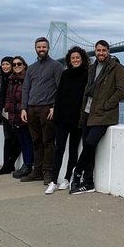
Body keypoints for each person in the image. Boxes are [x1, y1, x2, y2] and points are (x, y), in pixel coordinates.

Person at [70, 40, 124, 194]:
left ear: (108, 51)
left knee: (90, 143)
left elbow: (122, 91)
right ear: (95, 51)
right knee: (89, 148)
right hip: (87, 113)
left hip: (104, 114)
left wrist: (106, 105)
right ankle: (88, 182)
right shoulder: (91, 68)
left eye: (103, 50)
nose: (101, 53)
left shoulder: (118, 68)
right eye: (98, 50)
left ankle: (77, 171)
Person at [45, 46, 89, 194]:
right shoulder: (65, 74)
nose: (75, 60)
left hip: (78, 120)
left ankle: (66, 178)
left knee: (73, 150)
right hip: (63, 119)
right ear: (69, 60)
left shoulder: (87, 74)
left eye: (78, 58)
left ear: (82, 59)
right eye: (73, 58)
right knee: (59, 149)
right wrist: (56, 116)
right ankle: (53, 181)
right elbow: (59, 96)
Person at [20, 37, 63, 185]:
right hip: (31, 109)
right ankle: (37, 171)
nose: (41, 49)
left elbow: (60, 88)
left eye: (44, 47)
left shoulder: (56, 66)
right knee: (36, 141)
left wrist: (55, 107)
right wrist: (24, 108)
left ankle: (47, 173)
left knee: (48, 142)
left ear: (48, 48)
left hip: (47, 109)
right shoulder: (31, 68)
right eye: (39, 47)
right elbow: (26, 89)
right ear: (35, 49)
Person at [4, 56, 35, 178]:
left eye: (19, 64)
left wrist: (26, 110)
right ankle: (27, 165)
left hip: (25, 115)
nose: (16, 66)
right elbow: (8, 97)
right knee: (22, 141)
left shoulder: (29, 78)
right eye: (14, 64)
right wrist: (8, 110)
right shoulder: (12, 80)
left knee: (28, 141)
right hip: (14, 115)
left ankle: (28, 165)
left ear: (24, 65)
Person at [0, 56, 22, 175]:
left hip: (15, 113)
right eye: (3, 64)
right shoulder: (1, 78)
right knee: (8, 139)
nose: (5, 67)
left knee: (18, 140)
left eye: (7, 64)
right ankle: (6, 165)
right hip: (5, 113)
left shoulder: (15, 78)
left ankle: (10, 164)